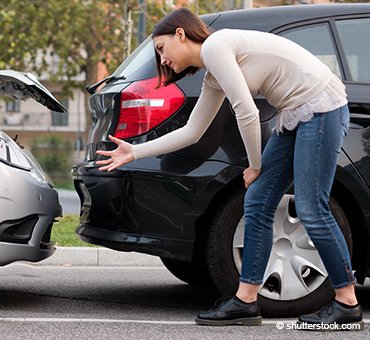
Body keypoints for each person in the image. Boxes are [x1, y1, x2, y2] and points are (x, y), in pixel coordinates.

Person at [96, 8, 362, 329]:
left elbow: (247, 113)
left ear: (181, 34)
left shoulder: (215, 46)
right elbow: (192, 131)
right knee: (259, 201)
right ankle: (246, 300)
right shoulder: (213, 73)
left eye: (162, 49)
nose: (162, 59)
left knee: (311, 207)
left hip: (321, 109)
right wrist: (135, 151)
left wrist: (253, 166)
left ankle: (347, 303)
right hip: (296, 114)